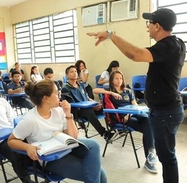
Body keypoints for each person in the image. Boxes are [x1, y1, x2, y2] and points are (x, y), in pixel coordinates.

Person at [87, 8, 185, 183]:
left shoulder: (167, 45)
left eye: (150, 23)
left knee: (167, 158)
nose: (147, 27)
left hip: (166, 112)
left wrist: (111, 35)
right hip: (166, 110)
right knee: (168, 156)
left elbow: (135, 54)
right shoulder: (177, 43)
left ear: (158, 26)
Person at [7, 79, 107, 183]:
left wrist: (68, 114)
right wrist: (27, 147)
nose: (59, 94)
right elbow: (11, 141)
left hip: (66, 148)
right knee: (100, 174)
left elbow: (73, 137)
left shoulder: (58, 111)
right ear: (46, 98)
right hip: (51, 159)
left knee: (94, 145)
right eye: (56, 92)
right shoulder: (30, 120)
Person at [93, 70, 158, 173]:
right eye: (116, 78)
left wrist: (130, 113)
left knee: (147, 120)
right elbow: (95, 90)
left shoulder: (127, 91)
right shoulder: (109, 90)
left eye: (120, 78)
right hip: (121, 120)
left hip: (130, 115)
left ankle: (150, 153)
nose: (119, 81)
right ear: (111, 80)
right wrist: (110, 92)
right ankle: (150, 157)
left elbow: (135, 105)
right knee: (148, 128)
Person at [61, 65, 116, 141]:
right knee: (88, 111)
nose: (74, 73)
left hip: (88, 108)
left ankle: (115, 127)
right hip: (78, 111)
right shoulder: (65, 89)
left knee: (105, 106)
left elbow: (87, 97)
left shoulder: (81, 85)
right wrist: (91, 107)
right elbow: (73, 105)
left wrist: (95, 104)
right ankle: (104, 133)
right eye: (71, 72)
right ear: (67, 75)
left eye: (75, 71)